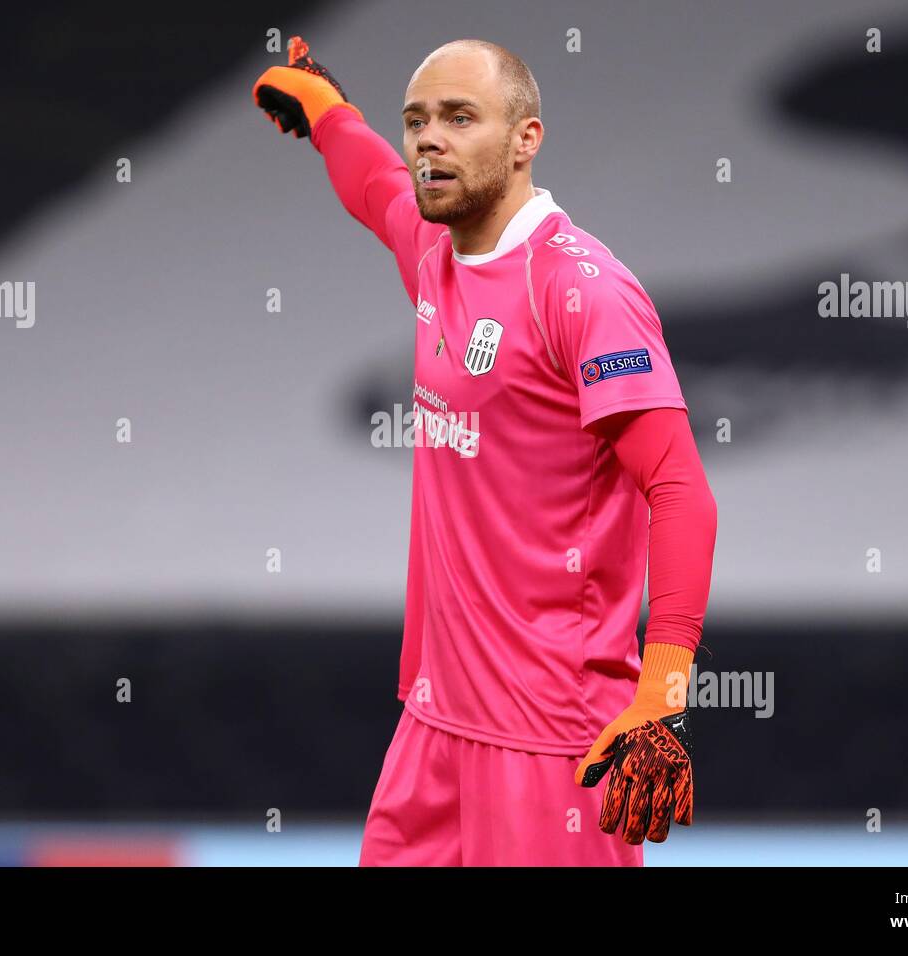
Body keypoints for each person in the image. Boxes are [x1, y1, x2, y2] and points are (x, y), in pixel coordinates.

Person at [253, 36, 717, 866]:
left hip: (552, 741)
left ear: (525, 139)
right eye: (417, 120)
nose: (430, 138)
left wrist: (663, 695)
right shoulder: (438, 257)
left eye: (460, 118)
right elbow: (373, 184)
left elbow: (681, 488)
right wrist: (328, 112)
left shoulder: (581, 291)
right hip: (433, 726)